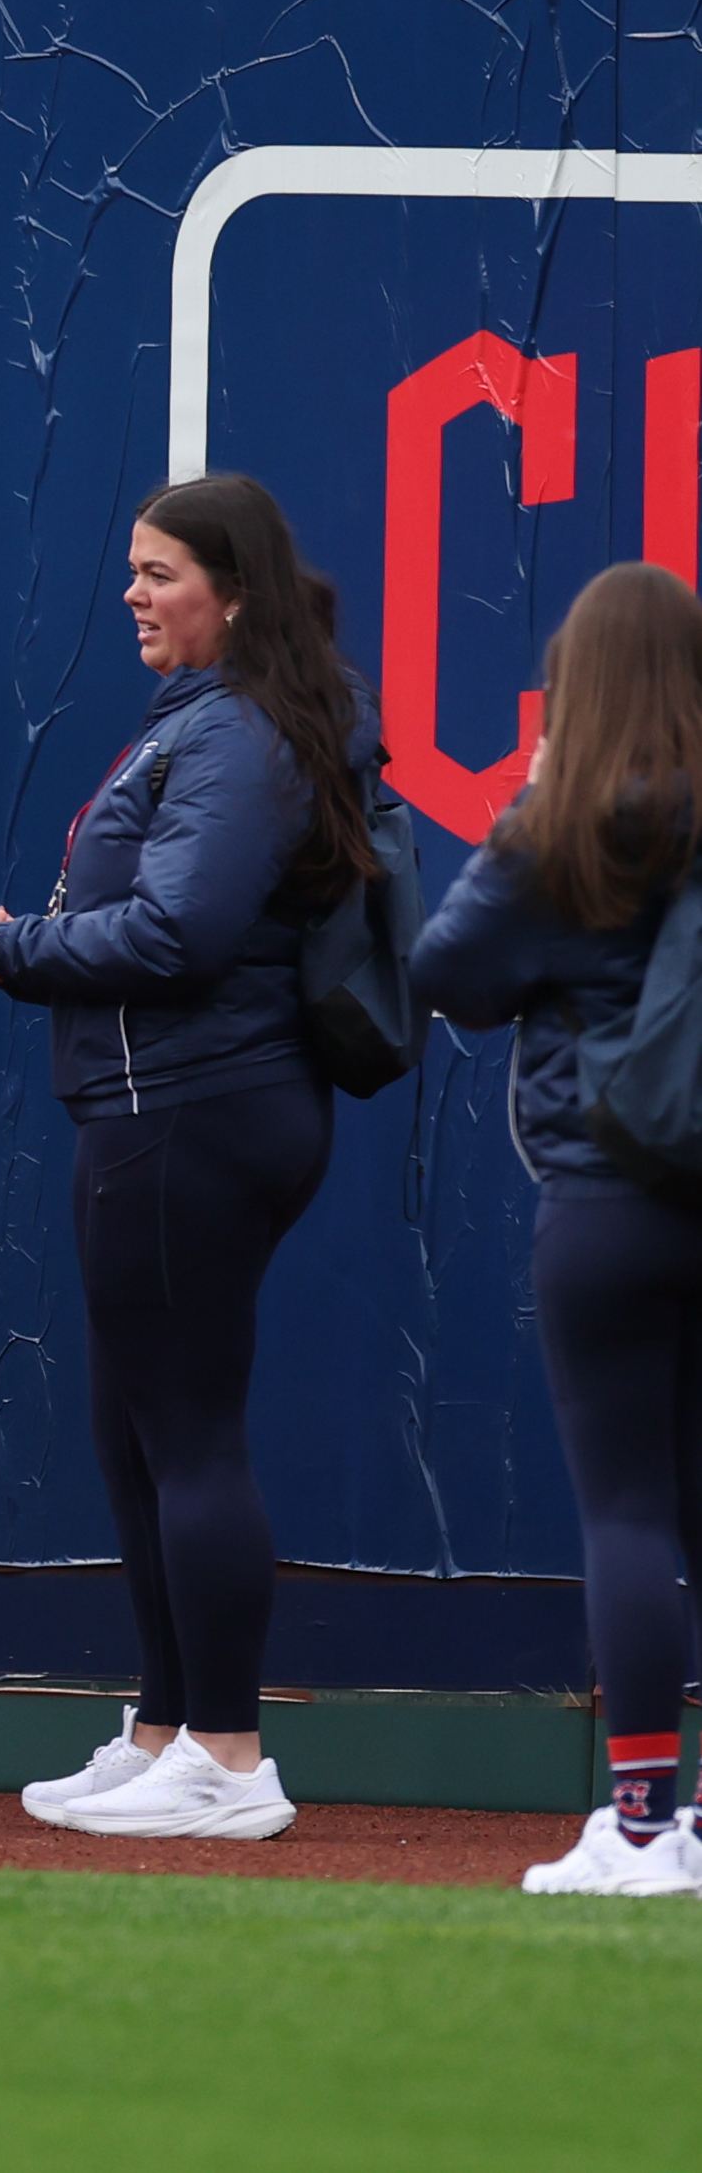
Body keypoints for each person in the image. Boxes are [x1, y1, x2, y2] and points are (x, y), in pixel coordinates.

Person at [0, 472, 382, 1842]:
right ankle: (163, 1725)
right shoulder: (209, 726)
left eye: (159, 573)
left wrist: (11, 946)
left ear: (233, 591)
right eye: (130, 570)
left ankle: (228, 1756)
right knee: (135, 1428)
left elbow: (176, 937)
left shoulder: (232, 737)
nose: (133, 594)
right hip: (167, 1109)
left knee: (184, 1433)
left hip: (191, 1110)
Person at [410, 560, 702, 1895]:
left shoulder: (555, 829)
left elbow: (446, 972)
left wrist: (534, 791)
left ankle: (643, 1818)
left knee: (628, 1511)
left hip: (605, 1201)